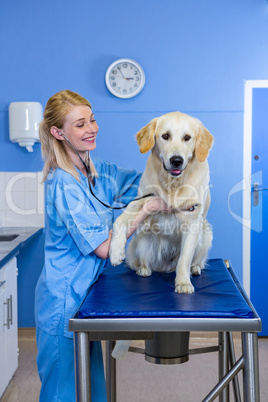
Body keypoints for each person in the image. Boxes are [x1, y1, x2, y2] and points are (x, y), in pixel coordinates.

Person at [35, 89, 170, 401]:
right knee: (63, 392)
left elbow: (141, 182)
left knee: (92, 388)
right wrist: (146, 208)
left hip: (90, 298)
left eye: (92, 120)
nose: (91, 128)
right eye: (80, 124)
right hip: (65, 302)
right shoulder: (64, 184)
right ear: (59, 132)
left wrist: (171, 160)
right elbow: (106, 249)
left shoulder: (98, 171)